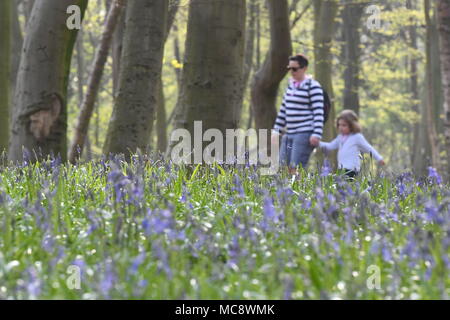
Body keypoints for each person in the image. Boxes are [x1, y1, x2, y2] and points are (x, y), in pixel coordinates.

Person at [271, 54, 325, 175]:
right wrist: (276, 131)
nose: (291, 71)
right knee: (282, 166)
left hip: (304, 133)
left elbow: (318, 112)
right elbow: (283, 110)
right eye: (289, 68)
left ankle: (297, 192)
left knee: (296, 167)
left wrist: (316, 134)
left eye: (295, 69)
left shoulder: (313, 86)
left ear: (304, 68)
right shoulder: (290, 86)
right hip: (289, 132)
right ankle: (283, 192)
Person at [319, 109, 385, 178]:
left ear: (352, 125)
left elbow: (368, 148)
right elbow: (330, 146)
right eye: (339, 125)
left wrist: (379, 158)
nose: (340, 127)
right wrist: (318, 143)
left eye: (344, 125)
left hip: (352, 169)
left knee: (348, 185)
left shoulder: (357, 137)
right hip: (341, 168)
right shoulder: (340, 137)